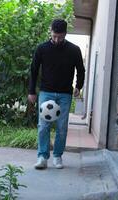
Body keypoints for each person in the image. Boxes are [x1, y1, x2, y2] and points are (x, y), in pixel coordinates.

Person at [28, 19, 85, 169]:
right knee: (43, 126)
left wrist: (79, 86)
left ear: (65, 34)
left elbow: (81, 69)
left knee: (61, 127)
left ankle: (58, 156)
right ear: (51, 32)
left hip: (65, 94)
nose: (57, 39)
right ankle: (42, 157)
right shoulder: (42, 48)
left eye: (60, 37)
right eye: (54, 36)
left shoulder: (74, 50)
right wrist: (31, 91)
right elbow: (34, 70)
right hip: (46, 92)